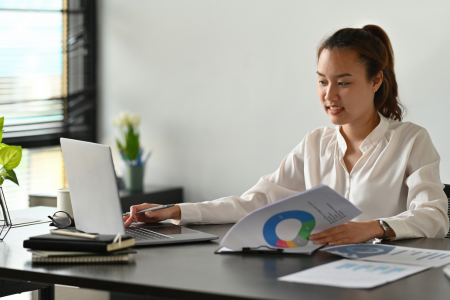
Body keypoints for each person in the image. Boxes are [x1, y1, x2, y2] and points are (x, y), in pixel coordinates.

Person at [123, 25, 449, 246]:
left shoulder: (411, 141)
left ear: (376, 81)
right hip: (322, 274)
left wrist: (373, 228)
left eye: (344, 82)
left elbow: (435, 216)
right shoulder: (315, 144)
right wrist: (177, 210)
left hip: (391, 280)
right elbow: (256, 201)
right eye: (322, 81)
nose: (330, 95)